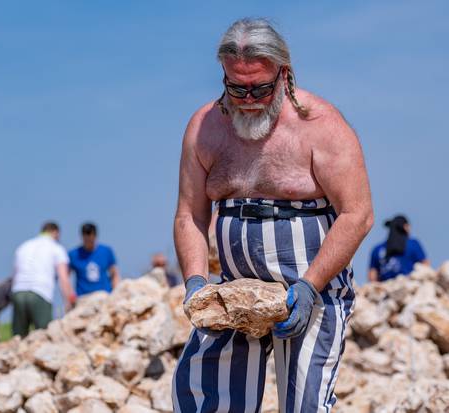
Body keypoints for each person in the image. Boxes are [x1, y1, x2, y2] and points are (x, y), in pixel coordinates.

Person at [172, 19, 373, 413]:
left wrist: (310, 286)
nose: (248, 99)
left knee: (305, 403)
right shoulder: (206, 127)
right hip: (234, 292)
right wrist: (196, 283)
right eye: (237, 87)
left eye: (260, 88)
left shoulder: (321, 126)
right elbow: (189, 215)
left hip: (312, 291)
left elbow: (357, 213)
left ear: (285, 73)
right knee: (203, 396)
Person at [11, 221, 75, 337]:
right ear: (55, 232)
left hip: (18, 292)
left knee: (18, 339)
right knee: (44, 338)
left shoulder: (24, 246)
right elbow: (63, 278)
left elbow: (15, 275)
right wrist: (69, 301)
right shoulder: (56, 248)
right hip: (40, 293)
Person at [368, 215, 429, 282]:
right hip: (409, 285)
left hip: (386, 287)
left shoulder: (377, 249)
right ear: (405, 227)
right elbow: (425, 266)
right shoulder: (413, 244)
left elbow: (372, 276)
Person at [69, 222, 121, 296]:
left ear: (95, 235)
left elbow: (114, 274)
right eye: (85, 235)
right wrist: (70, 295)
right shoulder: (74, 254)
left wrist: (116, 293)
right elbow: (66, 277)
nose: (88, 238)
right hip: (83, 298)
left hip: (104, 295)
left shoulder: (106, 251)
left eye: (90, 235)